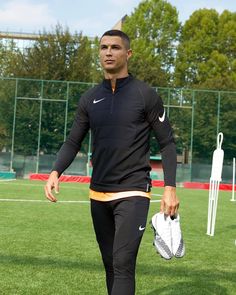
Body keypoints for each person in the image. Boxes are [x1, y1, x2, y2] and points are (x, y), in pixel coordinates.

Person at [44, 29, 179, 295]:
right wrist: (55, 171)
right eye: (104, 47)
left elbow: (167, 142)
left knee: (123, 263)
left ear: (127, 54)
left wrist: (170, 188)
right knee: (110, 264)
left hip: (133, 191)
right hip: (98, 194)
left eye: (115, 47)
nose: (108, 52)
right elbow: (73, 141)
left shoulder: (145, 95)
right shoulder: (89, 98)